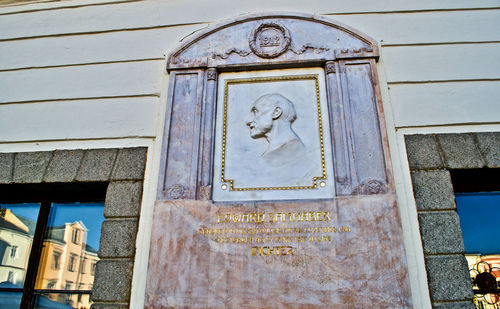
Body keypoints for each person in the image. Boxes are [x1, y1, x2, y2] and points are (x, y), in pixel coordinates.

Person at [245, 93, 306, 165]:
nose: (248, 121)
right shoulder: (273, 154)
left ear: (276, 112)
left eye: (255, 112)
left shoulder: (292, 151)